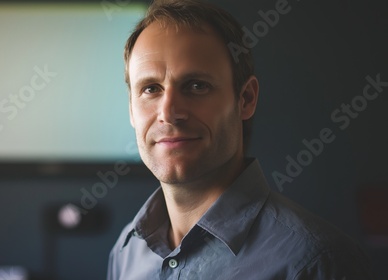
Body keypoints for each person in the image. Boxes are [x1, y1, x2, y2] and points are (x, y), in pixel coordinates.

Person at [107, 0, 372, 279]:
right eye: (151, 89)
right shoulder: (126, 254)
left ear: (245, 98)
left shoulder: (316, 262)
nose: (169, 113)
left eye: (196, 86)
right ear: (131, 110)